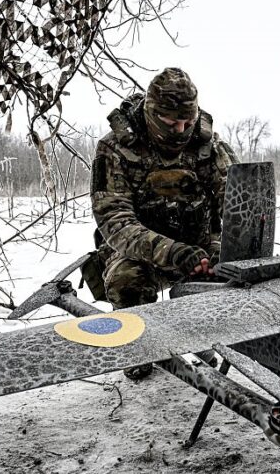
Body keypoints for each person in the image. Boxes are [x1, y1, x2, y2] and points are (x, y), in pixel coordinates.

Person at [90, 67, 237, 374]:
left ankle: (205, 341)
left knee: (230, 273)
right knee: (126, 281)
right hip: (136, 253)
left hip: (198, 246)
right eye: (172, 124)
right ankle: (138, 351)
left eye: (188, 123)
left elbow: (236, 203)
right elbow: (115, 222)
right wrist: (173, 252)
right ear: (151, 113)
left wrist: (223, 250)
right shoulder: (115, 149)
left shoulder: (209, 147)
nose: (181, 131)